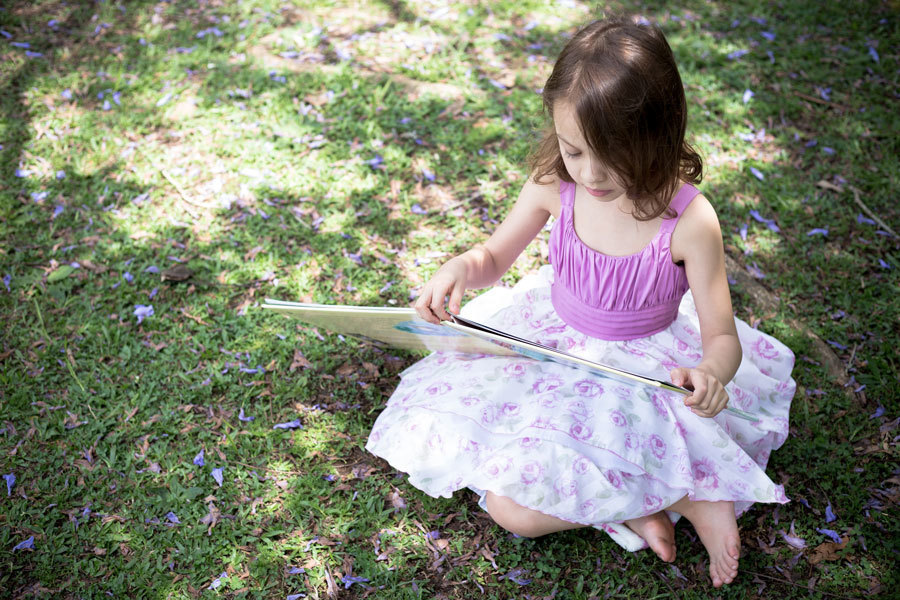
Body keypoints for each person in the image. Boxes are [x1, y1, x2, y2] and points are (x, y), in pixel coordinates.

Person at [366, 15, 795, 589]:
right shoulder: (553, 182)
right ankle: (648, 504)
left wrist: (711, 375)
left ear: (658, 135)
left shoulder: (690, 220)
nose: (590, 173)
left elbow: (721, 338)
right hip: (553, 347)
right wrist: (459, 269)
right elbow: (492, 258)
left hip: (646, 371)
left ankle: (691, 494)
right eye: (574, 150)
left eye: (611, 155)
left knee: (520, 502)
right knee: (508, 505)